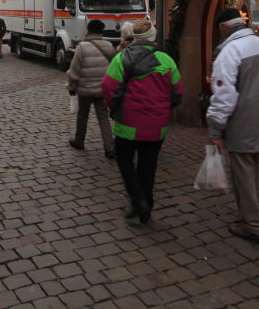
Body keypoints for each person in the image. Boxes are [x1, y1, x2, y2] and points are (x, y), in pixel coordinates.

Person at [206, 7, 259, 244]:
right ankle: (250, 217)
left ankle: (253, 225)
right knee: (252, 169)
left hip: (241, 121)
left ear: (224, 27)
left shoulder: (230, 51)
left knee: (242, 173)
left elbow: (224, 95)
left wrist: (215, 128)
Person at [101, 19, 182, 224]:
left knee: (124, 160)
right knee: (148, 164)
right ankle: (147, 204)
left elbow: (108, 86)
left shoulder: (122, 58)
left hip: (128, 123)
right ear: (153, 37)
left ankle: (138, 200)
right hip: (157, 125)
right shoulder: (166, 60)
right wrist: (164, 109)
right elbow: (177, 92)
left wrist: (114, 107)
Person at [66, 20, 117, 159]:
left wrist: (71, 86)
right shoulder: (108, 45)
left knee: (82, 115)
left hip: (85, 89)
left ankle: (79, 140)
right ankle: (109, 147)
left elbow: (74, 70)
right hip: (102, 89)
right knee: (103, 117)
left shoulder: (82, 47)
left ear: (88, 30)